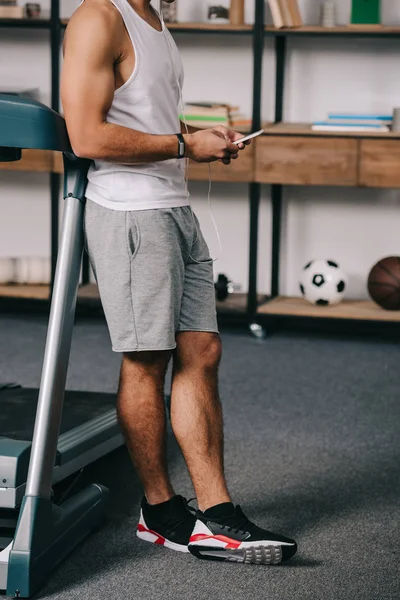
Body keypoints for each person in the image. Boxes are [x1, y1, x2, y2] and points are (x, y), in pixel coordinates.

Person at [61, 0, 297, 565]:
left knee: (203, 349)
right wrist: (183, 145)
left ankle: (216, 515)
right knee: (147, 360)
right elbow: (86, 135)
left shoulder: (156, 20)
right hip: (130, 214)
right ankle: (162, 509)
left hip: (174, 208)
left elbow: (147, 121)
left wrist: (199, 137)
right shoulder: (100, 17)